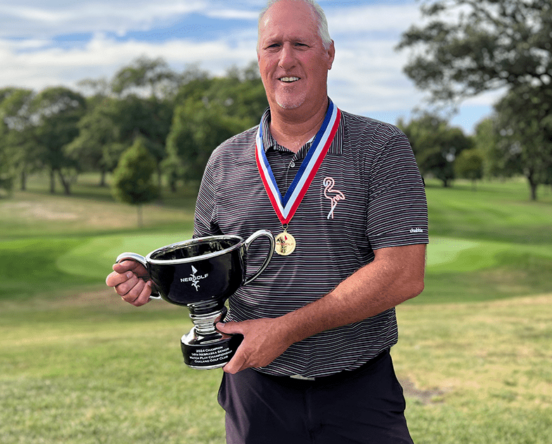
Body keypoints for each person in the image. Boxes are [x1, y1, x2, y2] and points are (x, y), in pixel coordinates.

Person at [106, 0, 428, 442]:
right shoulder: (224, 161)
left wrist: (284, 331)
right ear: (259, 58)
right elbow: (209, 270)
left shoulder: (380, 147)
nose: (286, 59)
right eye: (273, 45)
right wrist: (159, 279)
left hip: (359, 390)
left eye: (301, 44)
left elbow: (403, 275)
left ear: (330, 53)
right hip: (256, 392)